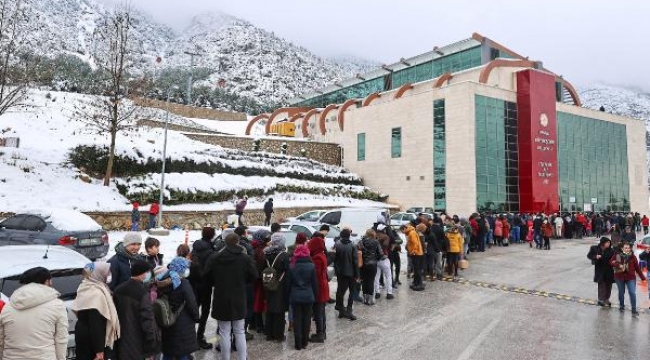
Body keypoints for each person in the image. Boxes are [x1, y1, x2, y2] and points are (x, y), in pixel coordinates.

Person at [206, 234, 257, 360]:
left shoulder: (216, 258)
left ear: (225, 243)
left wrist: (217, 282)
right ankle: (242, 358)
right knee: (239, 331)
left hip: (221, 297)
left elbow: (206, 275)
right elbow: (254, 275)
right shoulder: (244, 258)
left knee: (224, 332)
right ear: (238, 242)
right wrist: (243, 281)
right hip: (238, 297)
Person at [0, 267, 68, 360]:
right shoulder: (57, 305)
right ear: (47, 281)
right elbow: (61, 340)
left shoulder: (8, 307)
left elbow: (1, 340)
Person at [112, 260, 160, 360]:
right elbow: (147, 320)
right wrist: (152, 344)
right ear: (142, 273)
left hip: (121, 338)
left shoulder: (118, 289)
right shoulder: (142, 293)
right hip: (138, 340)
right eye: (148, 272)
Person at [73, 262, 120, 360]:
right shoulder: (95, 294)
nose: (109, 275)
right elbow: (95, 324)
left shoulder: (85, 286)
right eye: (107, 272)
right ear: (98, 273)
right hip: (92, 341)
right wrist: (99, 351)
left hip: (83, 335)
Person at [157, 257, 200, 360]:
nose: (187, 270)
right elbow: (191, 303)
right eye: (185, 268)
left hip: (166, 319)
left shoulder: (161, 280)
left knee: (168, 351)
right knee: (182, 352)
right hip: (182, 322)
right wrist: (196, 317)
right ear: (180, 268)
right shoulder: (183, 283)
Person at [190, 227, 217, 349]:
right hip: (205, 285)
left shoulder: (195, 248)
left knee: (192, 311)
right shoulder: (211, 251)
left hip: (193, 284)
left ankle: (189, 337)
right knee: (204, 313)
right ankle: (199, 337)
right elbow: (212, 270)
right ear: (212, 236)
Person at [287, 245, 318, 350]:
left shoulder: (291, 266)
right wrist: (315, 296)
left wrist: (288, 296)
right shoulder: (312, 266)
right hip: (308, 296)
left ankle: (298, 344)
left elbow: (288, 284)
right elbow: (314, 284)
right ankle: (305, 342)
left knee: (297, 320)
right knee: (306, 319)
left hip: (295, 296)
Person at [263, 233, 290, 341]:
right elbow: (288, 272)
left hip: (268, 283)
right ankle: (278, 335)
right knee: (279, 310)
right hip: (280, 285)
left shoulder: (266, 254)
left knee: (269, 309)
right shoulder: (284, 256)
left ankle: (269, 334)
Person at [609, 242, 646, 316]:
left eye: (629, 248)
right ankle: (622, 306)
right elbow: (610, 262)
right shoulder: (618, 255)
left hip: (630, 277)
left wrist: (643, 278)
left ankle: (634, 310)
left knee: (632, 293)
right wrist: (618, 265)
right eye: (626, 248)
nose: (627, 249)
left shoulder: (633, 257)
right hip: (619, 277)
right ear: (622, 248)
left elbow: (637, 268)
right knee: (621, 292)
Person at [307, 233, 330, 342]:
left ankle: (320, 334)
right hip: (323, 286)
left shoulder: (316, 257)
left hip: (319, 287)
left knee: (318, 311)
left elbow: (315, 274)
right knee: (321, 311)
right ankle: (323, 332)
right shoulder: (322, 255)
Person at [334, 228, 359, 320]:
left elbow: (335, 259)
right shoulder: (353, 245)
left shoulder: (337, 244)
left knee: (340, 291)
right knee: (352, 291)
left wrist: (336, 270)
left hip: (340, 272)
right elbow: (355, 261)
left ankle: (341, 310)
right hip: (351, 272)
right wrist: (357, 275)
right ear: (349, 235)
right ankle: (349, 310)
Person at [587, 237, 615, 306]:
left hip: (609, 270)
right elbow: (589, 255)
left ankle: (607, 299)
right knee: (602, 286)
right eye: (607, 242)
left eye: (609, 242)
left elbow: (615, 258)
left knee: (609, 286)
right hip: (600, 270)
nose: (609, 244)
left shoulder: (611, 250)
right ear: (603, 243)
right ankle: (601, 300)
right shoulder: (595, 248)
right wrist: (595, 257)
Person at [359, 229, 382, 305]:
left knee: (364, 281)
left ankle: (365, 299)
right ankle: (370, 300)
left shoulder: (361, 241)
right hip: (372, 264)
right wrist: (376, 259)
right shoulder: (376, 242)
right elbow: (380, 254)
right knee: (371, 281)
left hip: (363, 264)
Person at [374, 224, 394, 299]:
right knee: (388, 276)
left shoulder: (374, 235)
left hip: (376, 259)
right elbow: (385, 245)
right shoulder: (386, 236)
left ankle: (377, 293)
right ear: (383, 229)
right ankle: (389, 293)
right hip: (384, 258)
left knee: (376, 276)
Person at [404, 224, 424, 291]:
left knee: (417, 269)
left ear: (405, 228)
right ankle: (416, 283)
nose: (403, 232)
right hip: (416, 253)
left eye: (402, 230)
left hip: (416, 254)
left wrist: (414, 251)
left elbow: (415, 243)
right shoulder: (411, 232)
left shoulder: (411, 233)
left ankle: (420, 284)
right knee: (416, 269)